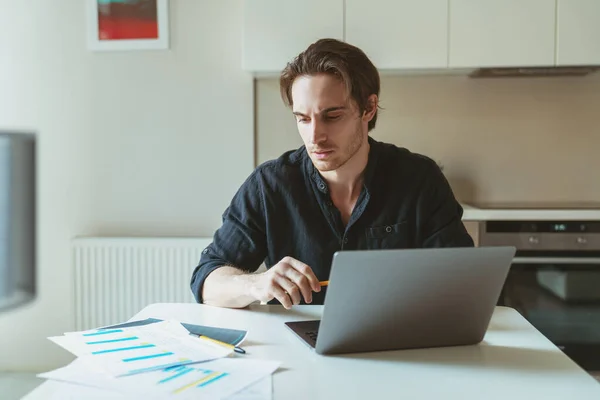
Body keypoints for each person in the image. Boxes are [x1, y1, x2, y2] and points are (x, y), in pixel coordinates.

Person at [190, 38, 474, 310]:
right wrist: (255, 284)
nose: (315, 136)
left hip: (397, 345)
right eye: (303, 119)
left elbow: (463, 280)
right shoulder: (270, 184)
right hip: (297, 350)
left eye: (332, 116)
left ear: (368, 108)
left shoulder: (419, 179)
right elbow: (207, 280)